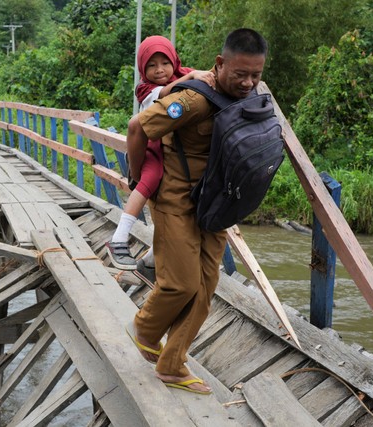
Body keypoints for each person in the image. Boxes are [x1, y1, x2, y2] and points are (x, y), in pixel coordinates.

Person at [125, 28, 268, 394]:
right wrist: (137, 175)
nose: (249, 83)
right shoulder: (193, 99)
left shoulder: (249, 97)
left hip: (215, 205)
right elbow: (137, 127)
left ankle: (172, 363)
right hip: (175, 201)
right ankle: (144, 327)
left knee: (205, 288)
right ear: (220, 65)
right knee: (181, 283)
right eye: (240, 74)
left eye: (256, 74)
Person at [106, 36, 215, 279]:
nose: (159, 70)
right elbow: (167, 92)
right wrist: (191, 77)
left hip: (174, 148)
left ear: (174, 61)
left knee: (177, 197)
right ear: (142, 70)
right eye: (151, 66)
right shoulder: (145, 89)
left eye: (164, 63)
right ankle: (119, 238)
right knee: (151, 180)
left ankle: (152, 259)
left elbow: (208, 79)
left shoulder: (184, 73)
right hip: (150, 144)